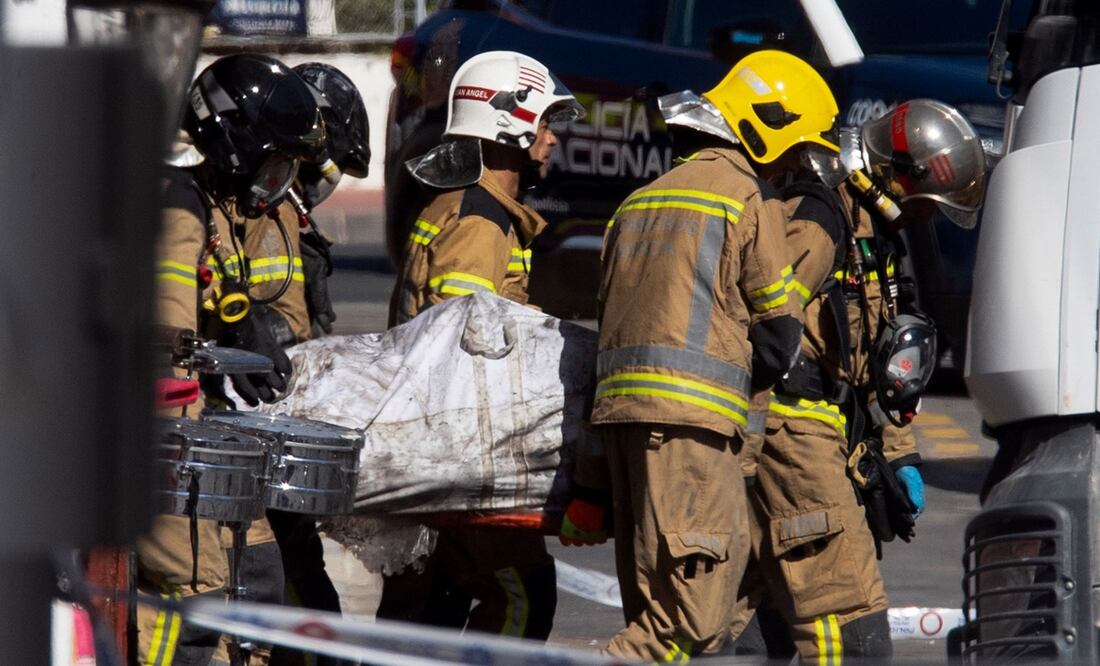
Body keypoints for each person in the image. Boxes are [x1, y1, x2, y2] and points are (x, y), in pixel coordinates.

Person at [564, 50, 839, 662]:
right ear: (769, 129)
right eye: (795, 148)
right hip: (692, 437)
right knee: (690, 621)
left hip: (624, 436)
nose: (794, 165)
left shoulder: (635, 204)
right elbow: (777, 334)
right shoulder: (747, 199)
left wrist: (589, 480)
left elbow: (606, 339)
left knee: (655, 608)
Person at [732, 99, 987, 662]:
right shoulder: (822, 219)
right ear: (899, 176)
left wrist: (899, 453)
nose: (925, 218)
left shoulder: (875, 233)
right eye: (924, 204)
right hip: (791, 434)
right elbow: (759, 332)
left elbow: (873, 353)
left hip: (823, 430)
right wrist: (742, 457)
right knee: (851, 625)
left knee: (769, 614)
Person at [377, 50, 583, 640]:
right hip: (462, 449)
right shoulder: (479, 222)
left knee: (428, 606)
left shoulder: (470, 206)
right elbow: (459, 348)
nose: (551, 139)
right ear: (509, 125)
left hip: (436, 445)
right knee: (519, 595)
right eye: (544, 123)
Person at [139, 53, 325, 665]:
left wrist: (248, 333)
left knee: (261, 570)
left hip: (201, 432)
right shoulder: (179, 213)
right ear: (236, 145)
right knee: (194, 592)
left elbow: (216, 303)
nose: (279, 180)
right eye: (276, 163)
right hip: (165, 440)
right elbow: (163, 347)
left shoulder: (213, 205)